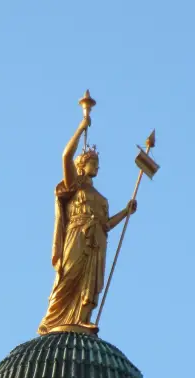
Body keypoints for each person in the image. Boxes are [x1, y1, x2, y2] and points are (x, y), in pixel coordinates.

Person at [38, 115, 137, 335]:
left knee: (92, 282)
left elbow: (107, 225)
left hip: (97, 239)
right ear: (82, 165)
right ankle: (54, 317)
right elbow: (65, 156)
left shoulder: (101, 199)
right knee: (69, 274)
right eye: (94, 163)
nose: (97, 168)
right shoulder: (73, 186)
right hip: (78, 234)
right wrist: (81, 127)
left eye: (98, 165)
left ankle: (82, 318)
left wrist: (126, 212)